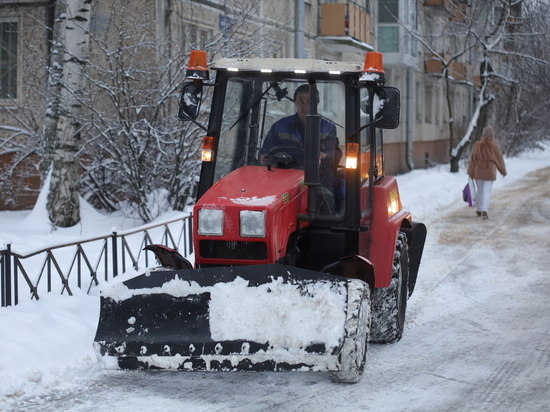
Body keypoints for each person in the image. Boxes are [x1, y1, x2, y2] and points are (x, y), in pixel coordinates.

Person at [259, 84, 343, 215]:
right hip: (284, 182)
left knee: (326, 203)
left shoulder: (327, 128)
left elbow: (333, 155)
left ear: (317, 104)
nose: (304, 106)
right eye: (301, 101)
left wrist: (324, 156)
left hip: (319, 181)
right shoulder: (280, 127)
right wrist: (264, 157)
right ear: (295, 102)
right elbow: (266, 151)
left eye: (309, 102)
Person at [467, 126, 507, 219]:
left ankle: (479, 209)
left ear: (483, 135)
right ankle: (485, 210)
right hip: (489, 172)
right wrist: (503, 171)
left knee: (479, 190)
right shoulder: (494, 146)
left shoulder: (477, 145)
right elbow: (499, 160)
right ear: (492, 136)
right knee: (487, 191)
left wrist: (470, 172)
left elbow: (473, 159)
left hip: (478, 171)